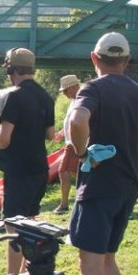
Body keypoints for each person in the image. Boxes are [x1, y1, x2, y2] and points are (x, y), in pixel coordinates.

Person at [66, 32, 138, 275]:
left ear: (94, 58)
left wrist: (79, 152)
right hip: (127, 186)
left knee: (89, 267)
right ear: (126, 61)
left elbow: (77, 121)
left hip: (97, 189)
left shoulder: (92, 88)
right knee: (108, 259)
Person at [0, 48, 56, 275]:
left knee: (13, 226)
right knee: (30, 221)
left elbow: (3, 141)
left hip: (18, 169)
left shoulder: (14, 97)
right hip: (40, 167)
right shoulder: (46, 97)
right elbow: (50, 135)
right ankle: (30, 271)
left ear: (11, 70)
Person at [52, 74, 82, 214]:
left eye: (66, 90)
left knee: (66, 171)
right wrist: (61, 133)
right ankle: (67, 204)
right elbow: (70, 122)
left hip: (76, 143)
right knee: (72, 173)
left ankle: (66, 204)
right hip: (70, 143)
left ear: (74, 87)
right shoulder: (74, 101)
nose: (65, 93)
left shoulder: (81, 100)